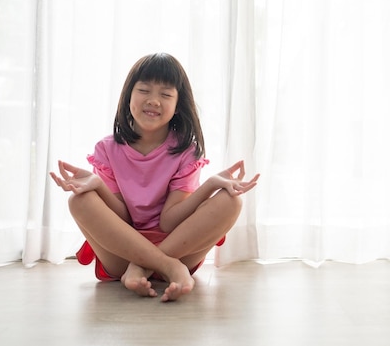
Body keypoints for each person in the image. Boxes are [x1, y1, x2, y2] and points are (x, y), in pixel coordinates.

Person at [50, 53, 259, 302]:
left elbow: (169, 222)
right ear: (129, 96)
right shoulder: (106, 149)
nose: (153, 101)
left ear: (178, 104)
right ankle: (166, 267)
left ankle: (144, 268)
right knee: (78, 201)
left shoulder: (186, 150)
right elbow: (124, 219)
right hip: (124, 253)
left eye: (165, 94)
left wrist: (211, 184)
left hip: (179, 249)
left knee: (232, 201)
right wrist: (97, 186)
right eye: (144, 90)